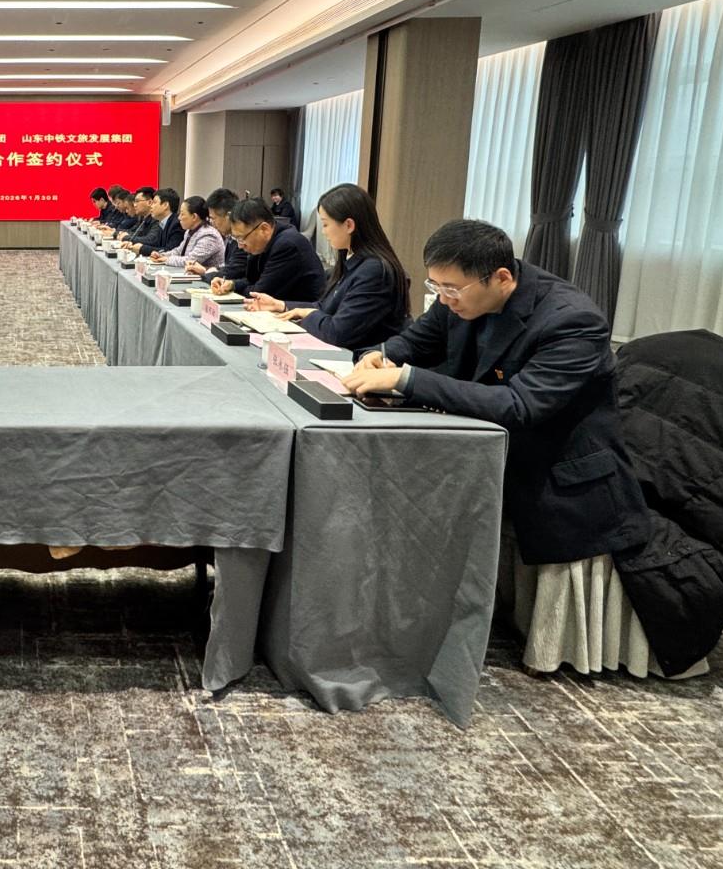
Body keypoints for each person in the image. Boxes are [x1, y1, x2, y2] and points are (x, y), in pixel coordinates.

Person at [342, 219, 652, 671]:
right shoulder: (460, 295)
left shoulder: (573, 320)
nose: (443, 299)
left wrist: (405, 379)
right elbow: (419, 339)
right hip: (492, 453)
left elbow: (520, 405)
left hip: (557, 471)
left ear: (502, 278)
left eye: (451, 289)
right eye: (435, 286)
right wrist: (384, 354)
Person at [245, 183, 409, 349]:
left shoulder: (374, 271)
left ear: (349, 225)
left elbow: (338, 333)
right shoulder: (350, 259)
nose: (323, 232)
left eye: (325, 224)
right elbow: (325, 307)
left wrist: (309, 314)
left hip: (359, 358)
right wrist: (281, 305)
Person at [212, 198, 324, 301]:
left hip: (299, 313)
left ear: (264, 229)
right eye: (236, 238)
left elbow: (259, 293)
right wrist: (231, 284)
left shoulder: (288, 245)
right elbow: (253, 280)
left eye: (241, 238)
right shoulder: (264, 243)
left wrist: (235, 288)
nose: (240, 246)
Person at [151, 195, 225, 269]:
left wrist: (166, 259)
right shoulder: (190, 231)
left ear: (194, 217)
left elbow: (191, 261)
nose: (179, 218)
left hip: (209, 276)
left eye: (182, 214)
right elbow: (179, 251)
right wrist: (162, 255)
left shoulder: (208, 235)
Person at [186, 188, 243, 282]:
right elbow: (227, 268)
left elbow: (231, 273)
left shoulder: (242, 241)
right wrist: (205, 270)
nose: (212, 223)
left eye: (213, 218)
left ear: (228, 216)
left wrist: (204, 274)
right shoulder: (230, 238)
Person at [121, 187, 182, 255]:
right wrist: (132, 244)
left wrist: (142, 249)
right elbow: (156, 244)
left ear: (165, 205)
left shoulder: (177, 224)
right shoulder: (163, 222)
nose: (151, 206)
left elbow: (170, 251)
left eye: (154, 203)